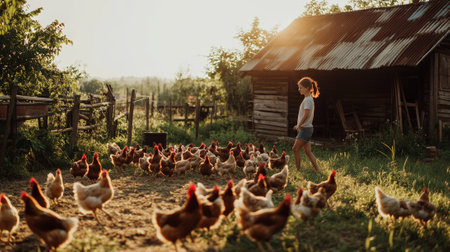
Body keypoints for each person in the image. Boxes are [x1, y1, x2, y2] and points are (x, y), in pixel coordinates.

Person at [292, 77, 320, 172]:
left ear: (307, 88)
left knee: (295, 149)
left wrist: (298, 125)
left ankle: (298, 170)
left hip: (305, 129)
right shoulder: (308, 99)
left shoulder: (308, 100)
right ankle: (317, 170)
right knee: (308, 152)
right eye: (299, 87)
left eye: (301, 87)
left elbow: (306, 114)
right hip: (306, 128)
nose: (299, 89)